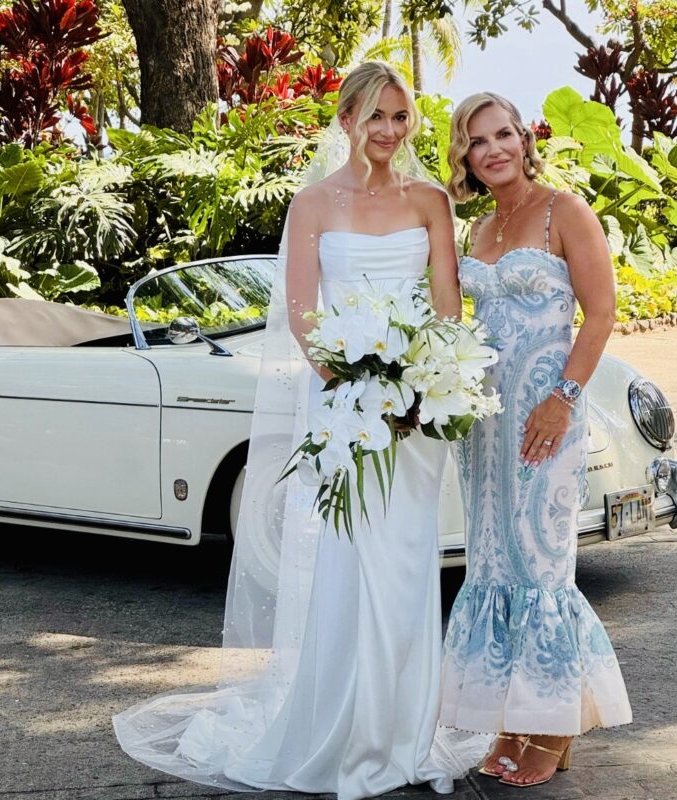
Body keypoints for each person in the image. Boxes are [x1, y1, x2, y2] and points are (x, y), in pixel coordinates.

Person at [113, 62, 488, 800]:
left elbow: (446, 305)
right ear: (346, 119)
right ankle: (344, 730)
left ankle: (403, 735)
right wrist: (356, 393)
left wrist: (428, 385)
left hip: (416, 415)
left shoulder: (431, 200)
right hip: (347, 411)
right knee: (353, 568)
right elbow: (303, 319)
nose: (388, 130)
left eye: (399, 117)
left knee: (408, 569)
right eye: (374, 116)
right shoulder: (314, 202)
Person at [439, 92, 633, 788]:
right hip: (486, 427)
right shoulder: (479, 230)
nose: (492, 150)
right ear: (464, 156)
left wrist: (563, 398)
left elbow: (602, 312)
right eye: (476, 141)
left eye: (502, 135)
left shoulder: (563, 211)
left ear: (524, 139)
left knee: (543, 564)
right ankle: (512, 721)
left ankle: (551, 729)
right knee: (494, 564)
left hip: (548, 418)